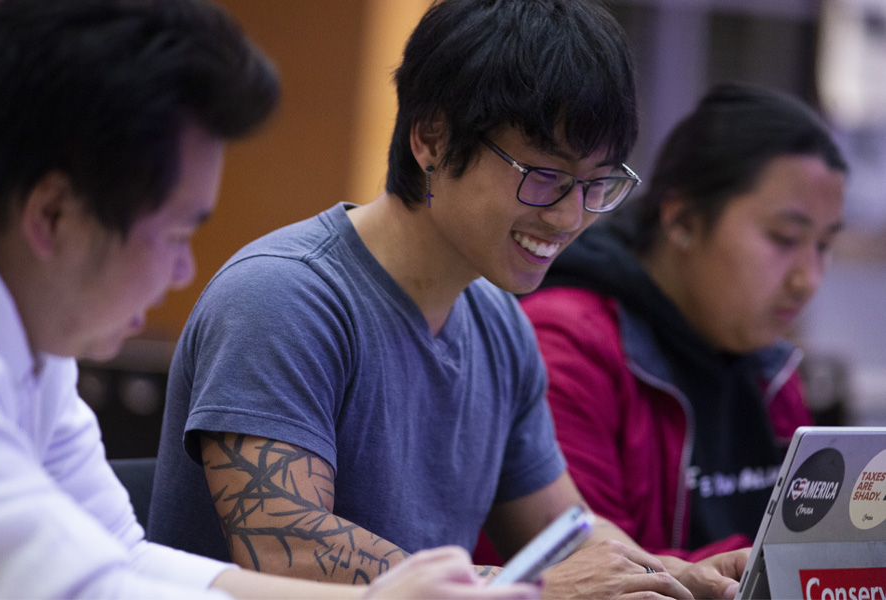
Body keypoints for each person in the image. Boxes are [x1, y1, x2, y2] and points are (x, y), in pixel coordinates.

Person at [148, 0, 746, 597]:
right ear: (432, 138)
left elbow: (564, 533)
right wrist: (534, 590)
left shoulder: (498, 323)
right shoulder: (284, 296)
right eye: (544, 176)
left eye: (598, 185)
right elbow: (290, 550)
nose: (571, 217)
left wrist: (669, 575)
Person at [0, 0, 539, 598]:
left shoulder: (40, 356)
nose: (183, 271)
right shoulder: (283, 290)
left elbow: (121, 553)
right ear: (52, 214)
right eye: (175, 234)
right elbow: (93, 589)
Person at [520, 84, 847, 563]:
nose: (807, 279)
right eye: (784, 238)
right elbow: (586, 574)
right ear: (683, 221)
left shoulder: (770, 364)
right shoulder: (564, 343)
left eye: (823, 246)